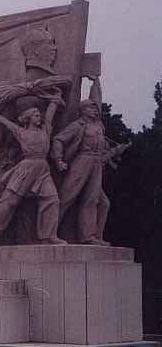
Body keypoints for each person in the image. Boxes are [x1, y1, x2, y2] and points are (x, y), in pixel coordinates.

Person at [0, 91, 67, 245]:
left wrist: (55, 100)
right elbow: (5, 123)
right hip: (26, 167)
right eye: (35, 115)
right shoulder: (21, 132)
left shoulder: (46, 130)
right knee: (10, 200)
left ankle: (48, 236)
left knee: (52, 200)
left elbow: (50, 114)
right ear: (28, 118)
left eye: (38, 114)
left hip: (43, 168)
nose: (39, 117)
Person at [51, 77, 127, 245]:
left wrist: (96, 82)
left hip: (97, 163)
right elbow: (58, 139)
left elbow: (98, 99)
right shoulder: (78, 125)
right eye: (91, 108)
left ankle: (88, 237)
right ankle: (49, 233)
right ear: (83, 110)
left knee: (92, 199)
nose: (95, 110)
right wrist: (58, 160)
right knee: (66, 196)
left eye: (95, 108)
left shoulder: (99, 125)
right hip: (82, 161)